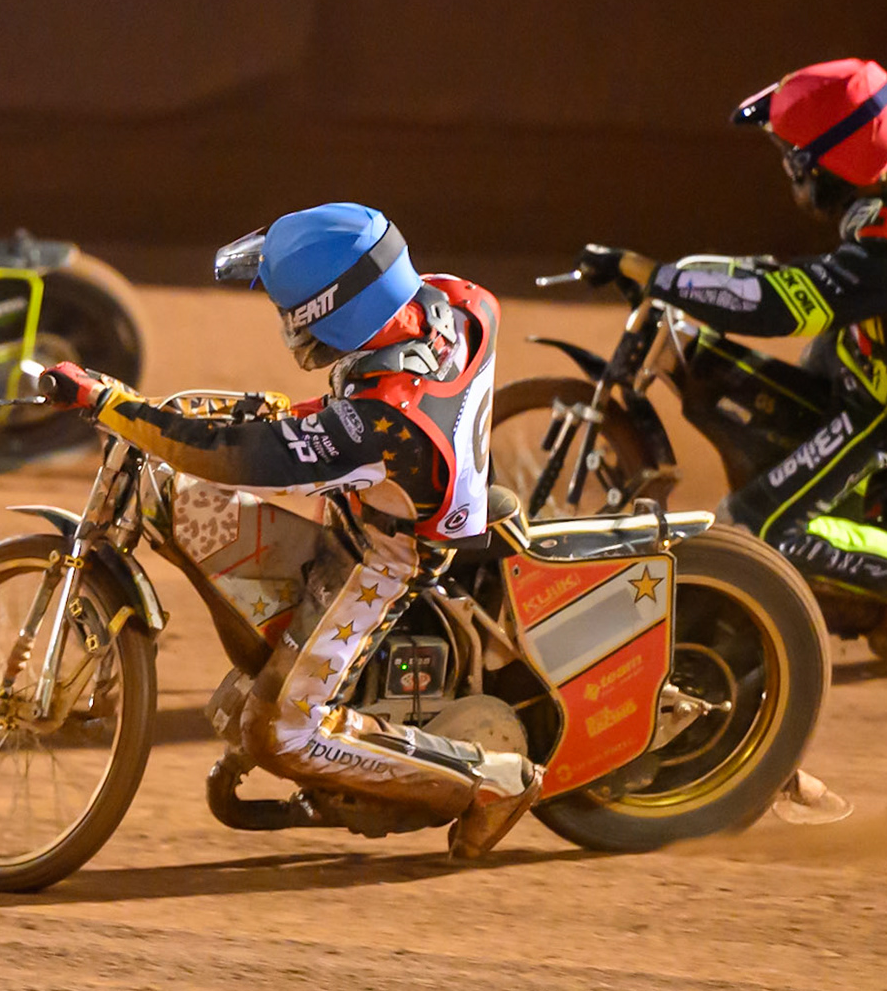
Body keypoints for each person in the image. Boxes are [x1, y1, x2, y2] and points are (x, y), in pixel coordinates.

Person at [37, 203, 543, 858]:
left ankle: (491, 781)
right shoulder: (457, 300)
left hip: (385, 558)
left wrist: (112, 403)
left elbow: (231, 456)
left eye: (294, 311)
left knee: (281, 731)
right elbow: (344, 406)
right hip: (414, 486)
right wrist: (290, 413)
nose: (286, 323)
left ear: (337, 313)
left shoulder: (382, 423)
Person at [576, 59, 887, 659]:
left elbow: (772, 303)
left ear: (843, 158)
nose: (791, 165)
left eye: (799, 154)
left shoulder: (885, 261)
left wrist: (652, 274)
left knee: (763, 525)